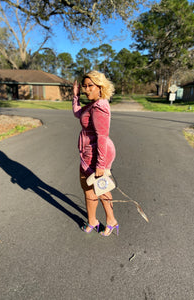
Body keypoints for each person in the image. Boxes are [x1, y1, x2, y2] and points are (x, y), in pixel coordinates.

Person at [72, 70, 118, 236]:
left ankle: (111, 221)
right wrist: (75, 96)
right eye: (84, 86)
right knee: (88, 188)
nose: (86, 89)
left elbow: (102, 137)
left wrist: (100, 164)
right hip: (87, 152)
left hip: (97, 153)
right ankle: (92, 220)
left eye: (90, 85)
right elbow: (78, 113)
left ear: (100, 86)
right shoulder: (92, 105)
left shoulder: (99, 107)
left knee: (101, 188)